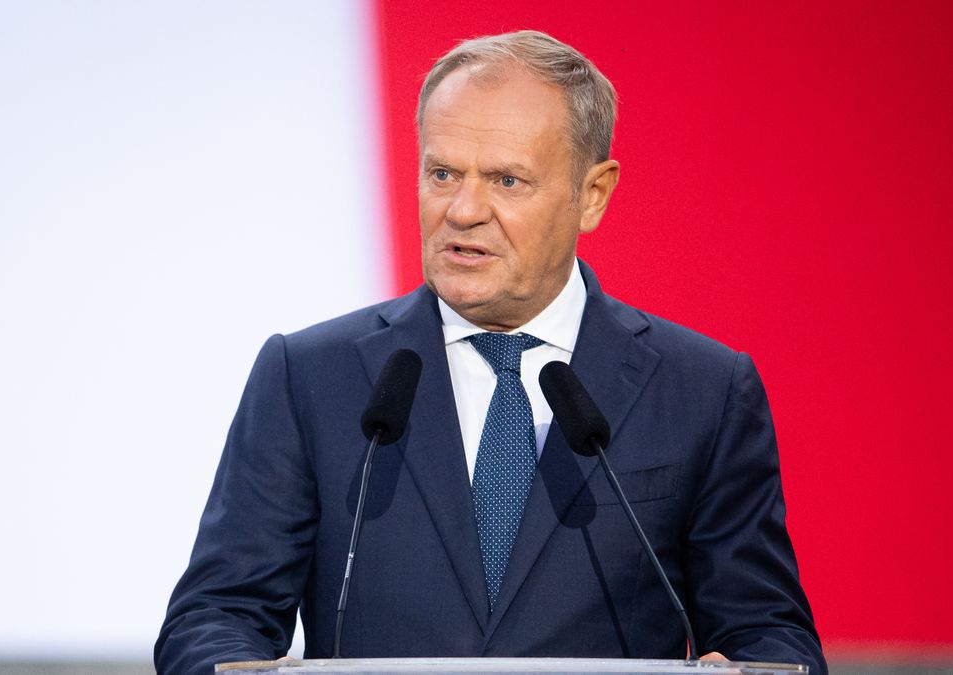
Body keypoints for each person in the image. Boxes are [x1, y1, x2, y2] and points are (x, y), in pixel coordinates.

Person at [155, 30, 825, 675]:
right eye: (443, 172)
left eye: (506, 181)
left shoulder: (703, 390)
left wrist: (751, 669)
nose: (464, 209)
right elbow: (215, 616)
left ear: (592, 194)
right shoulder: (310, 376)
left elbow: (767, 634)